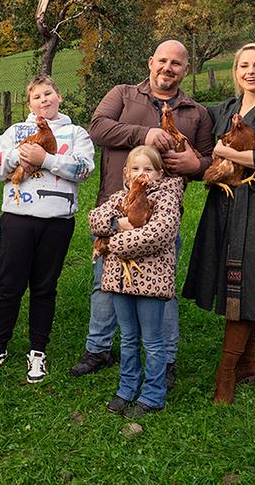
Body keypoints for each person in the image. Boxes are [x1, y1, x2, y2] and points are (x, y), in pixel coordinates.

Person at [72, 40, 214, 389]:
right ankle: (99, 348)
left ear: (186, 69)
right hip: (117, 209)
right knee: (104, 282)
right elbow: (98, 128)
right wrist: (145, 134)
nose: (168, 68)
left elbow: (211, 161)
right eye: (162, 61)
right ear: (151, 62)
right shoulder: (123, 94)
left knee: (160, 289)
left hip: (161, 220)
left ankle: (163, 359)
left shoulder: (196, 113)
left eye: (176, 64)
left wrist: (196, 165)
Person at [183, 43, 255, 405]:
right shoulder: (227, 109)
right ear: (236, 72)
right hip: (223, 202)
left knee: (248, 285)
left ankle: (225, 376)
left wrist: (225, 152)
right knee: (236, 279)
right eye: (244, 65)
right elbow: (197, 130)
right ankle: (248, 363)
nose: (250, 71)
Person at [0, 75, 94, 383]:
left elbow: (83, 170)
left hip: (57, 222)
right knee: (8, 286)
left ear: (59, 96)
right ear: (29, 103)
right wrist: (18, 154)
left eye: (48, 93)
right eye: (37, 96)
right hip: (18, 218)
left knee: (44, 287)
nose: (43, 100)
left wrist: (47, 159)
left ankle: (38, 351)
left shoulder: (76, 133)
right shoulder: (15, 132)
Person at [89, 145, 184, 418]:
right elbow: (95, 219)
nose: (141, 174)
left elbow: (157, 235)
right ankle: (127, 387)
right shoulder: (120, 197)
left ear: (160, 173)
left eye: (148, 169)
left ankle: (153, 394)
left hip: (152, 282)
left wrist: (110, 243)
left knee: (153, 340)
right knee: (128, 338)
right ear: (126, 173)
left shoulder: (165, 199)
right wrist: (119, 224)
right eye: (136, 168)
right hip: (119, 281)